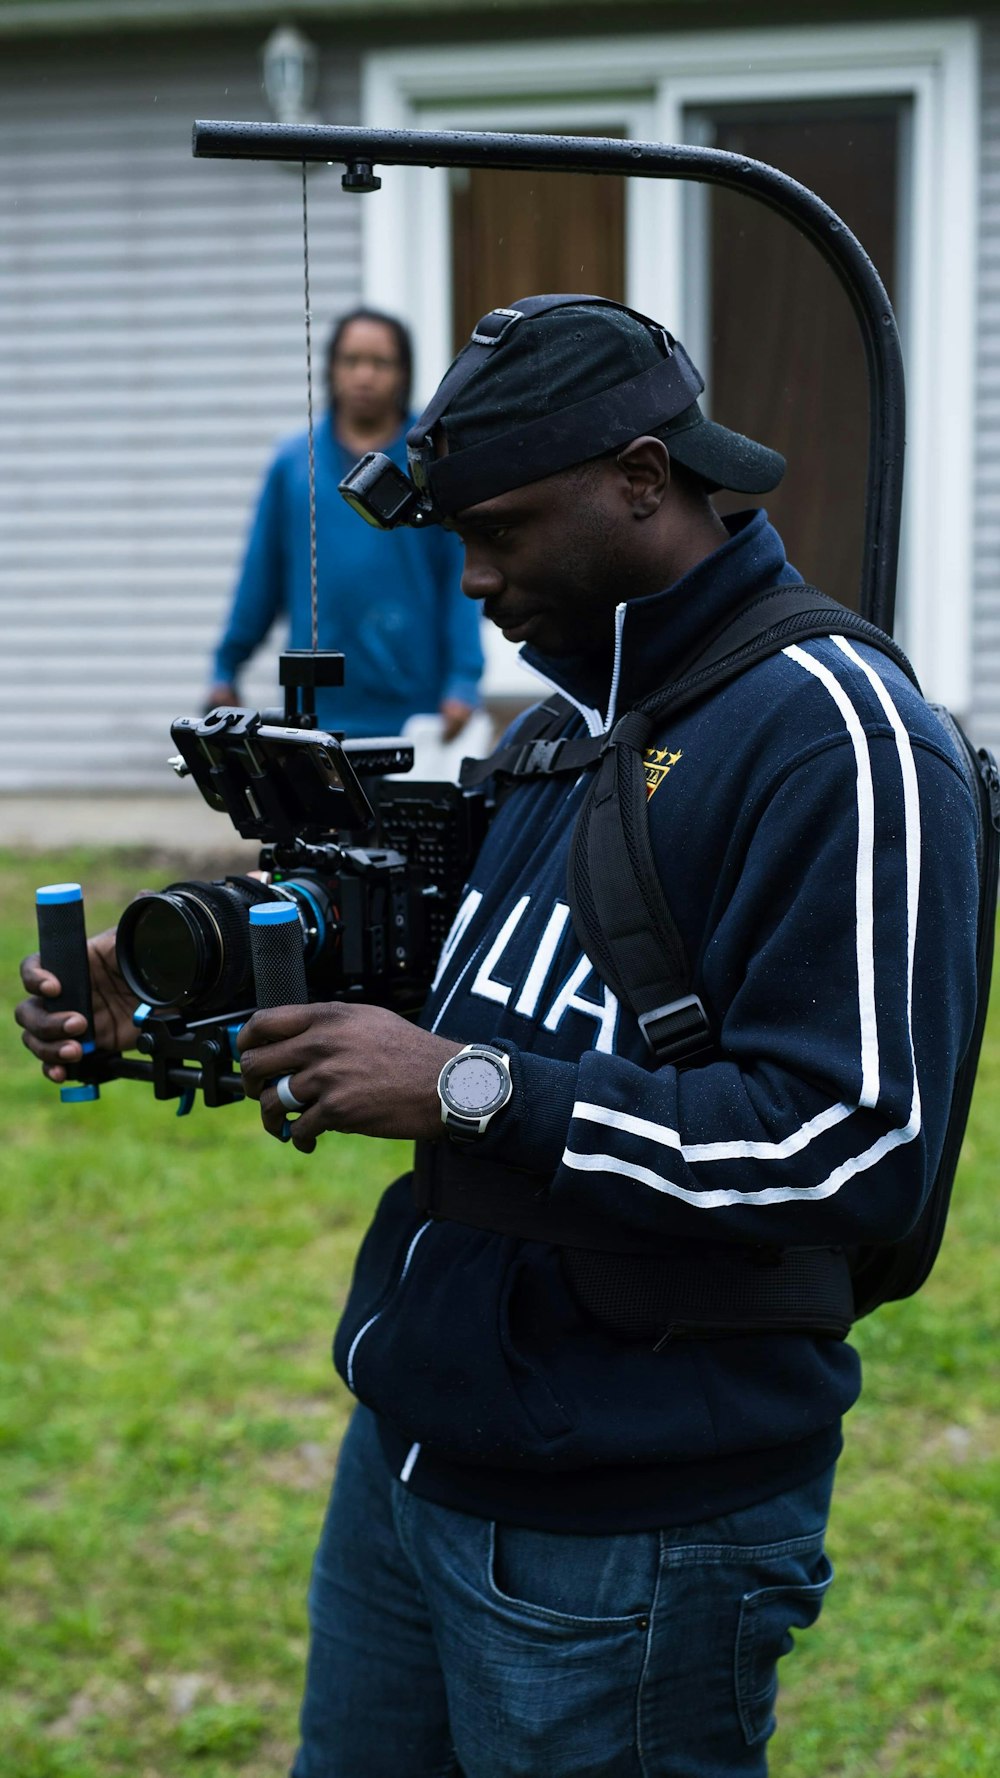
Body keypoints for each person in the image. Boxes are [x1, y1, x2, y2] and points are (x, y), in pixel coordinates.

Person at [18, 298, 980, 1776]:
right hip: (416, 1455)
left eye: (507, 530)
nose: (473, 578)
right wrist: (172, 1004)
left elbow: (855, 1145)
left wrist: (468, 1090)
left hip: (632, 1525)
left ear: (645, 479)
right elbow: (446, 976)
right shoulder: (564, 725)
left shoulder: (835, 729)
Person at [205, 306, 484, 739]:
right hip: (315, 715)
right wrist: (227, 667)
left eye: (380, 362)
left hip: (416, 714)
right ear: (332, 369)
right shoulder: (295, 463)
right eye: (351, 361)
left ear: (403, 372)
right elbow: (261, 576)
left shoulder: (430, 460)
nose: (364, 376)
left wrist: (464, 680)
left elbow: (461, 575)